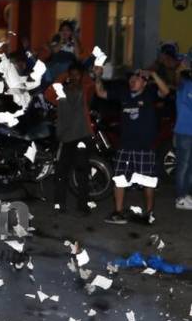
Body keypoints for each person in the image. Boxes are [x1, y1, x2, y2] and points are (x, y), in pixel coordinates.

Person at [95, 68, 170, 224]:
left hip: (144, 147)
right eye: (131, 79)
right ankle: (118, 212)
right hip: (125, 146)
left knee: (147, 181)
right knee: (119, 179)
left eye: (136, 78)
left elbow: (166, 91)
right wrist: (97, 76)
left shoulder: (149, 94)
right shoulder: (123, 94)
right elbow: (101, 92)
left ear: (144, 82)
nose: (132, 81)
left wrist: (154, 74)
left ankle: (148, 214)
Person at [45, 62, 95, 213]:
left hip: (82, 137)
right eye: (71, 75)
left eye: (76, 75)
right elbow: (48, 94)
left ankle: (82, 207)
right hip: (66, 139)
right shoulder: (62, 92)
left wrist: (81, 75)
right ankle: (60, 206)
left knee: (82, 174)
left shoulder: (85, 90)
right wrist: (64, 75)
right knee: (60, 174)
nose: (73, 77)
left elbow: (91, 84)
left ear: (82, 76)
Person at [172, 60, 192, 209]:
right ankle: (180, 197)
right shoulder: (185, 85)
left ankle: (186, 195)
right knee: (183, 166)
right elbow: (177, 80)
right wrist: (179, 70)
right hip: (184, 132)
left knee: (189, 166)